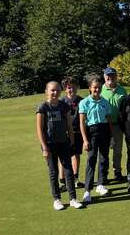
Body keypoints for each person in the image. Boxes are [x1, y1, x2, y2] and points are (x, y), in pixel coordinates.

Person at [36, 81, 83, 210]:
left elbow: (69, 125)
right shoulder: (42, 107)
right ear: (46, 91)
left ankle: (73, 198)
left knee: (68, 170)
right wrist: (44, 147)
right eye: (52, 90)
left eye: (57, 90)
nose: (55, 92)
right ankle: (57, 199)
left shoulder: (64, 106)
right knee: (53, 172)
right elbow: (39, 130)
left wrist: (72, 140)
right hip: (49, 144)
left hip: (64, 142)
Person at [80, 76, 113, 204]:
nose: (97, 89)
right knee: (92, 159)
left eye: (99, 87)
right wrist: (85, 140)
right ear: (90, 88)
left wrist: (111, 137)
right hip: (91, 132)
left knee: (104, 159)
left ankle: (100, 184)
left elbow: (109, 120)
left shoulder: (105, 102)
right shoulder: (84, 103)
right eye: (94, 87)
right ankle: (87, 190)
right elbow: (82, 123)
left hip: (104, 130)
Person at [100, 67, 127, 182]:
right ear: (104, 77)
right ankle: (103, 175)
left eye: (112, 75)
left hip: (117, 125)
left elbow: (126, 108)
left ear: (116, 76)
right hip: (104, 125)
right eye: (108, 75)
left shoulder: (122, 90)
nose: (110, 77)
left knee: (117, 150)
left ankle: (117, 172)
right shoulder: (99, 90)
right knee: (104, 151)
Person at [58, 77, 85, 189]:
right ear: (65, 89)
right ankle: (62, 181)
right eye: (69, 88)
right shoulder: (61, 102)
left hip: (77, 132)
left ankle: (75, 179)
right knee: (63, 156)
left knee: (76, 155)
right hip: (64, 133)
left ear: (77, 87)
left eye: (73, 87)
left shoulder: (82, 101)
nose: (71, 89)